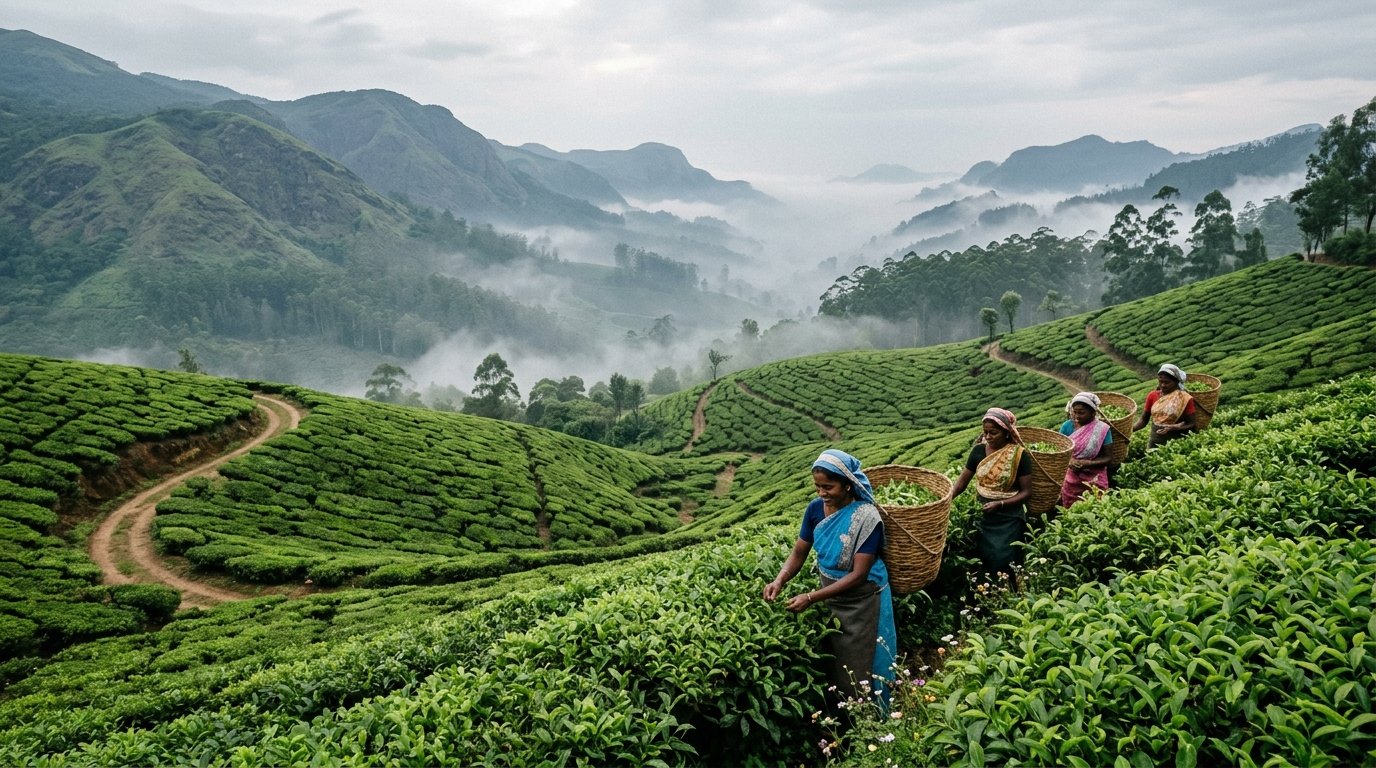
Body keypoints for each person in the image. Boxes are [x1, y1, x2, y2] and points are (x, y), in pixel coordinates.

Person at [762, 449, 897, 705]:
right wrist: (780, 579)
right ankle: (848, 711)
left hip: (865, 600)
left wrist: (811, 597)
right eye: (818, 487)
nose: (822, 493)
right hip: (832, 596)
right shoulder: (815, 509)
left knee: (867, 662)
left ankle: (877, 714)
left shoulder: (867, 517)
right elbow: (799, 551)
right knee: (840, 663)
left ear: (848, 485)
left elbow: (859, 574)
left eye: (828, 487)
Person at [949, 407, 1033, 579]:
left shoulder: (1019, 455)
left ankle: (1009, 590)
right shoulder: (978, 452)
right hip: (983, 513)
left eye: (993, 433)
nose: (988, 437)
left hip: (1009, 516)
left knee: (1005, 559)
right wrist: (944, 501)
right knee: (983, 558)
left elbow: (1026, 492)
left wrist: (1000, 504)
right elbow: (961, 484)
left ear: (1007, 432)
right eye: (985, 432)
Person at [1058, 392, 1113, 507]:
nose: (1077, 416)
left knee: (1098, 506)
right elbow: (1059, 453)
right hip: (1071, 478)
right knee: (1072, 509)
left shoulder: (1102, 429)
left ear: (1093, 412)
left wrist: (1088, 463)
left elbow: (1108, 458)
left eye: (1082, 413)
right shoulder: (1066, 426)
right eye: (1075, 412)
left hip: (1095, 478)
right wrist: (1070, 461)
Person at [1133, 363, 1197, 448]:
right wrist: (1129, 430)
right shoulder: (1152, 395)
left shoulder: (1184, 398)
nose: (1163, 385)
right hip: (1154, 441)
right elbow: (1143, 420)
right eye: (1161, 382)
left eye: (1167, 382)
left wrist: (1175, 428)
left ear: (1176, 382)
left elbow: (1192, 424)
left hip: (1177, 443)